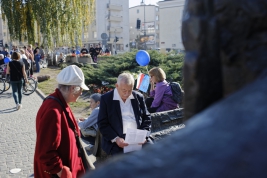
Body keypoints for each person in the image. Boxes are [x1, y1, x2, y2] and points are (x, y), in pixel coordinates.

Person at [34, 65, 89, 178]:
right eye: (81, 89)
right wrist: (61, 171)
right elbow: (45, 152)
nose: (82, 93)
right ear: (73, 88)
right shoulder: (53, 110)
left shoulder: (60, 102)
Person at [98, 72, 153, 156]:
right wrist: (116, 139)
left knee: (154, 153)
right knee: (123, 162)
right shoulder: (106, 99)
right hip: (118, 139)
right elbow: (102, 123)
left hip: (138, 136)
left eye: (130, 90)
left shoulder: (138, 97)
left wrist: (144, 135)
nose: (127, 94)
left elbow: (146, 117)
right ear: (117, 86)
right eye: (124, 90)